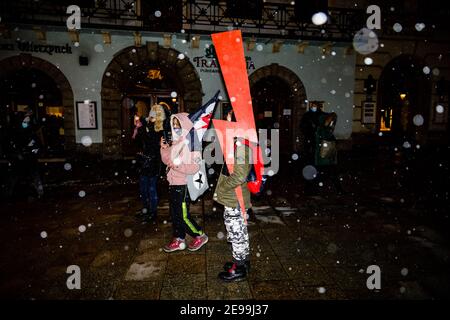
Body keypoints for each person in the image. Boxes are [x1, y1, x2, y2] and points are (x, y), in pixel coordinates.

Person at [160, 113, 208, 252]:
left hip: (183, 185)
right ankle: (179, 238)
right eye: (173, 124)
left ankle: (199, 235)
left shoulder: (193, 142)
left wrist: (176, 165)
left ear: (185, 125)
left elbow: (195, 167)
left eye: (178, 125)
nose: (175, 128)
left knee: (183, 215)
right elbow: (166, 161)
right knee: (174, 213)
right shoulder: (174, 140)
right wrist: (163, 149)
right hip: (173, 183)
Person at [214, 108, 252, 282]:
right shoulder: (236, 142)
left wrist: (222, 188)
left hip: (234, 198)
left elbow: (239, 175)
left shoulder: (241, 145)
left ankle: (239, 268)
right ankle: (242, 261)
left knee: (236, 232)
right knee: (239, 231)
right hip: (233, 197)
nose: (226, 124)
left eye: (229, 120)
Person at [134, 104, 164, 221]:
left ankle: (152, 212)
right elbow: (138, 141)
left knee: (151, 188)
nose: (151, 115)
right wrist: (140, 127)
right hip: (144, 161)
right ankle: (146, 209)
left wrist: (144, 127)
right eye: (152, 112)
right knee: (143, 188)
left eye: (155, 113)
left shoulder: (160, 128)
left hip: (153, 161)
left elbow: (153, 143)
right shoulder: (146, 125)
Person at [299, 101, 325, 195]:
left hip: (318, 142)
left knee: (317, 163)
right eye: (312, 106)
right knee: (309, 161)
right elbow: (302, 126)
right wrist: (309, 130)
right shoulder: (307, 115)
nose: (314, 107)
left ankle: (316, 183)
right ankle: (309, 185)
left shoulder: (320, 115)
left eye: (315, 106)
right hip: (310, 141)